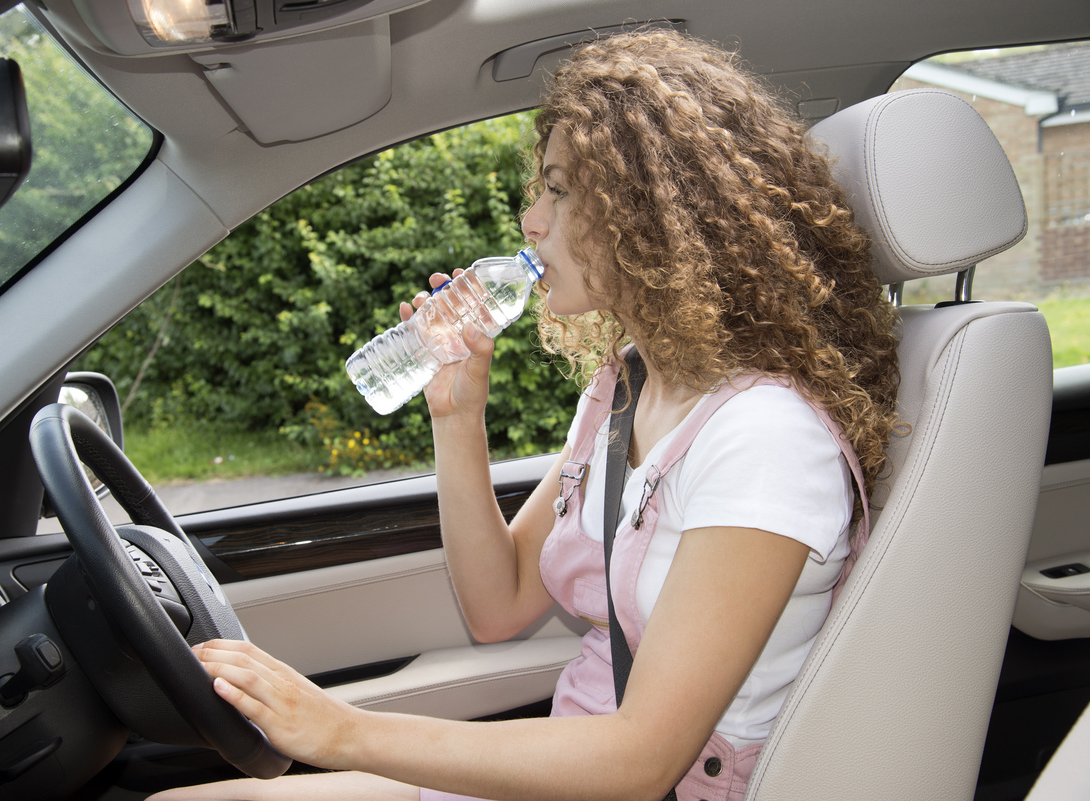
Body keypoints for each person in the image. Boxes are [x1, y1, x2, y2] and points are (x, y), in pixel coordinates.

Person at [150, 28, 899, 801]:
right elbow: (498, 603)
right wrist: (457, 413)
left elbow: (642, 763)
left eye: (562, 190)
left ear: (657, 209)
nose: (530, 220)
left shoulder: (767, 438)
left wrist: (340, 731)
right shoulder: (626, 386)